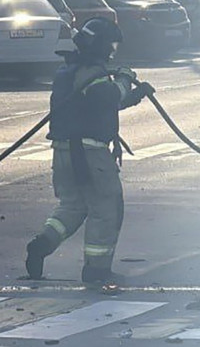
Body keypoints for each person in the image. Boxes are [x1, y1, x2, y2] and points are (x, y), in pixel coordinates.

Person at [25, 18, 154, 284]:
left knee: (74, 205)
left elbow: (98, 105)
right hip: (89, 153)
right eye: (111, 45)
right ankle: (96, 270)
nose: (112, 51)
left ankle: (43, 244)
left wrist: (136, 94)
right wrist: (124, 79)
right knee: (106, 208)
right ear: (100, 44)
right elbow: (107, 97)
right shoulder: (90, 71)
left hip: (64, 151)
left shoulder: (72, 71)